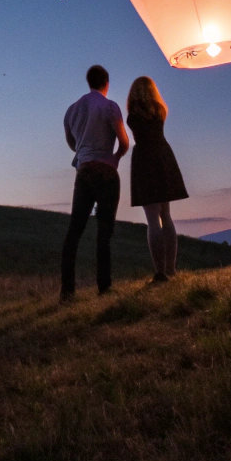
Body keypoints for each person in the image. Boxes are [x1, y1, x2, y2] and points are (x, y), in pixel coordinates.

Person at [60, 64, 129, 300]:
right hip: (105, 170)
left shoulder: (72, 110)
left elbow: (71, 142)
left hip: (84, 170)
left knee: (74, 231)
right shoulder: (110, 107)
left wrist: (83, 150)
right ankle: (104, 287)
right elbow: (124, 142)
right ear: (106, 83)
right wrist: (116, 157)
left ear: (88, 81)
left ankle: (67, 290)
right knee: (104, 230)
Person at [126, 77, 189, 282]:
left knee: (153, 219)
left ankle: (160, 273)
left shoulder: (134, 114)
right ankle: (170, 269)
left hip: (145, 159)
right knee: (166, 215)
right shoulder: (161, 111)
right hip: (163, 155)